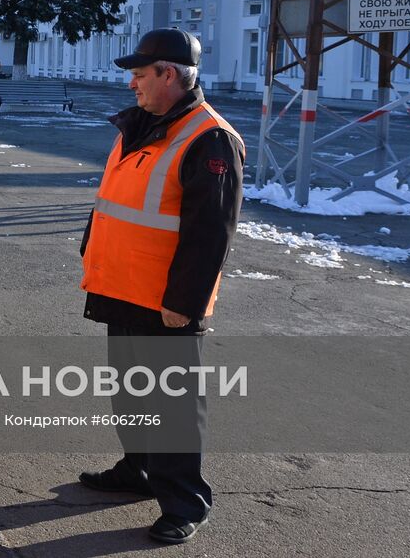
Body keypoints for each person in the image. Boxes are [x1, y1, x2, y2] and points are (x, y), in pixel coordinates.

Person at [76, 28, 244, 545]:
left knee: (172, 402)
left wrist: (184, 304)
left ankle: (183, 501)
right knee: (130, 391)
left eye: (139, 74)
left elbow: (210, 232)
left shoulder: (208, 137)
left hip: (166, 300)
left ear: (168, 74)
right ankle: (139, 470)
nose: (132, 84)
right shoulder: (143, 125)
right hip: (122, 285)